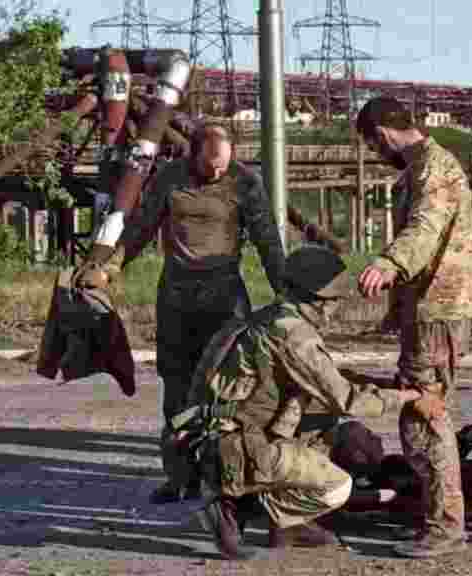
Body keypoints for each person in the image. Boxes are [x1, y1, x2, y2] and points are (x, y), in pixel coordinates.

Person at [169, 245, 444, 560]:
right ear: (319, 301)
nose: (336, 309)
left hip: (218, 438)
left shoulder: (270, 319)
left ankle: (261, 505)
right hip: (238, 447)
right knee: (337, 487)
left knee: (320, 416)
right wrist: (412, 398)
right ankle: (247, 505)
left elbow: (323, 379)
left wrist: (381, 384)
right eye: (334, 301)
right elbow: (347, 400)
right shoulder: (294, 335)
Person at [78, 121, 287, 505]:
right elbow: (140, 228)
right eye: (211, 166)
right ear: (193, 154)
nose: (218, 172)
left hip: (225, 298)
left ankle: (230, 477)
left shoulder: (245, 182)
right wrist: (108, 269)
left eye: (224, 165)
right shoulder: (170, 178)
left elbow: (267, 240)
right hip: (176, 298)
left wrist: (287, 292)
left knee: (232, 389)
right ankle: (180, 476)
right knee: (177, 388)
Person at [354, 96, 472, 558]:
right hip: (426, 309)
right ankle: (436, 520)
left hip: (439, 311)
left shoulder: (434, 168)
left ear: (381, 134)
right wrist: (397, 306)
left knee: (424, 416)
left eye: (372, 144)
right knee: (421, 413)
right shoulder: (421, 167)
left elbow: (425, 230)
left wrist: (389, 263)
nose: (375, 153)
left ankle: (445, 528)